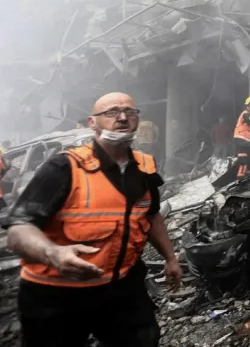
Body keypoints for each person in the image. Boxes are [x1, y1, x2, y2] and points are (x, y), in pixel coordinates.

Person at [3, 92, 180, 347]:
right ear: (92, 123)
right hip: (56, 294)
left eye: (130, 112)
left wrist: (171, 258)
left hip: (121, 287)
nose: (122, 118)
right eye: (111, 113)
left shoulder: (144, 167)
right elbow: (18, 229)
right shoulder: (64, 166)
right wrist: (53, 254)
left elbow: (151, 215)